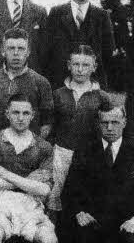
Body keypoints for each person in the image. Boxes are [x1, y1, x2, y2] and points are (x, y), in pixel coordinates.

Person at [62, 104, 134, 243]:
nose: (110, 127)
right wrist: (79, 212)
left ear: (124, 122)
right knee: (79, 242)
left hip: (127, 221)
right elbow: (69, 190)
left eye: (115, 122)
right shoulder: (85, 152)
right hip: (92, 219)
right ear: (98, 124)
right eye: (105, 123)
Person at [0, 93, 58, 243]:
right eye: (15, 112)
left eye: (25, 113)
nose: (20, 118)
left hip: (30, 203)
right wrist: (28, 181)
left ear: (33, 115)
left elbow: (45, 189)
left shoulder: (43, 146)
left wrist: (5, 174)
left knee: (50, 240)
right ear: (7, 113)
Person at [47, 45, 110, 212]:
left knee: (82, 201)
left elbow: (108, 129)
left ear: (94, 67)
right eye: (76, 64)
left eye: (86, 65)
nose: (80, 70)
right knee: (55, 200)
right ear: (69, 65)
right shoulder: (58, 94)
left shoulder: (102, 97)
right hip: (60, 154)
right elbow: (51, 128)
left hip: (89, 156)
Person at [43, 0, 116, 89]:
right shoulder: (56, 13)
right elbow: (46, 50)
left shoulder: (102, 16)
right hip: (59, 84)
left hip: (92, 85)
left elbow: (108, 53)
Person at [0, 28, 53, 137]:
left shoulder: (41, 83)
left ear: (28, 52)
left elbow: (46, 123)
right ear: (2, 51)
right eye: (11, 48)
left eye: (21, 48)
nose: (16, 53)